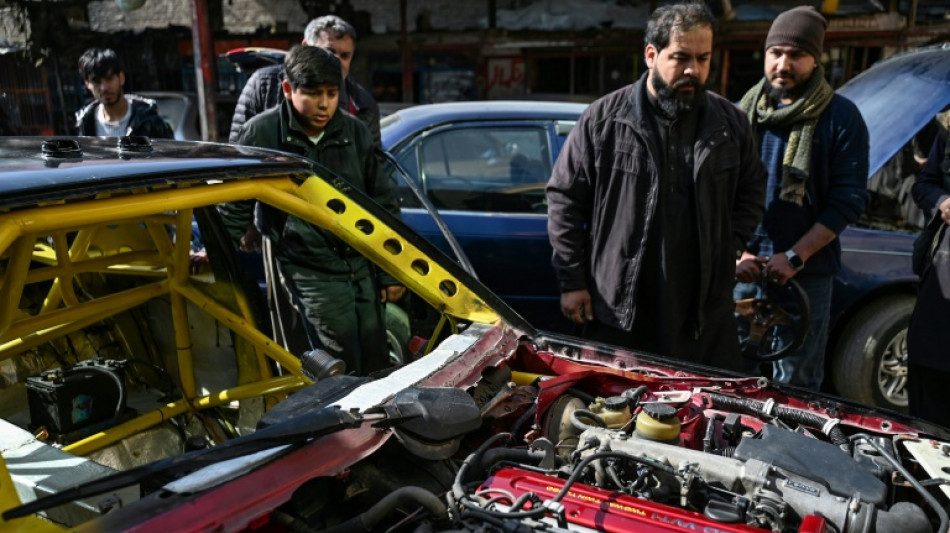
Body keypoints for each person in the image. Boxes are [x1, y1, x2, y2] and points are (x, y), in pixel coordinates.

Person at [546, 2, 767, 371]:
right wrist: (572, 281)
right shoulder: (604, 120)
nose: (693, 70)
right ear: (652, 54)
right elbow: (564, 200)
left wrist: (729, 244)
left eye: (703, 58)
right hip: (621, 310)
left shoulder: (730, 124)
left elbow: (753, 190)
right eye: (681, 57)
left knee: (702, 414)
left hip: (702, 313)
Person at [222, 45, 401, 376]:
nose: (324, 104)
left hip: (360, 261)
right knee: (340, 359)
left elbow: (382, 203)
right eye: (314, 93)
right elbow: (235, 205)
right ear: (288, 89)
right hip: (308, 267)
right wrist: (216, 256)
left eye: (332, 94)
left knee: (376, 355)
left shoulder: (354, 131)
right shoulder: (262, 133)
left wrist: (389, 271)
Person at [735, 6, 869, 390]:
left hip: (805, 277)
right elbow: (715, 194)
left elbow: (848, 200)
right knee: (730, 379)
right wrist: (736, 253)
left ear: (815, 59)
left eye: (796, 55)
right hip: (742, 272)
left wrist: (795, 256)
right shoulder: (739, 114)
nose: (783, 63)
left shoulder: (841, 117)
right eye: (775, 53)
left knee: (795, 385)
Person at [228, 15, 380, 147]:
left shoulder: (362, 105)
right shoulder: (263, 85)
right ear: (305, 48)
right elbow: (239, 151)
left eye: (345, 56)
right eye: (329, 52)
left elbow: (373, 167)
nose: (337, 62)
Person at [908, 128, 950, 426]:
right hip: (943, 275)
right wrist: (941, 202)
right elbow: (924, 183)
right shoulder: (949, 128)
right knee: (929, 371)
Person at [75, 48, 173, 138]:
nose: (104, 88)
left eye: (109, 79)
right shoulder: (86, 123)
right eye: (96, 81)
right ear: (87, 84)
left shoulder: (148, 121)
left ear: (121, 78)